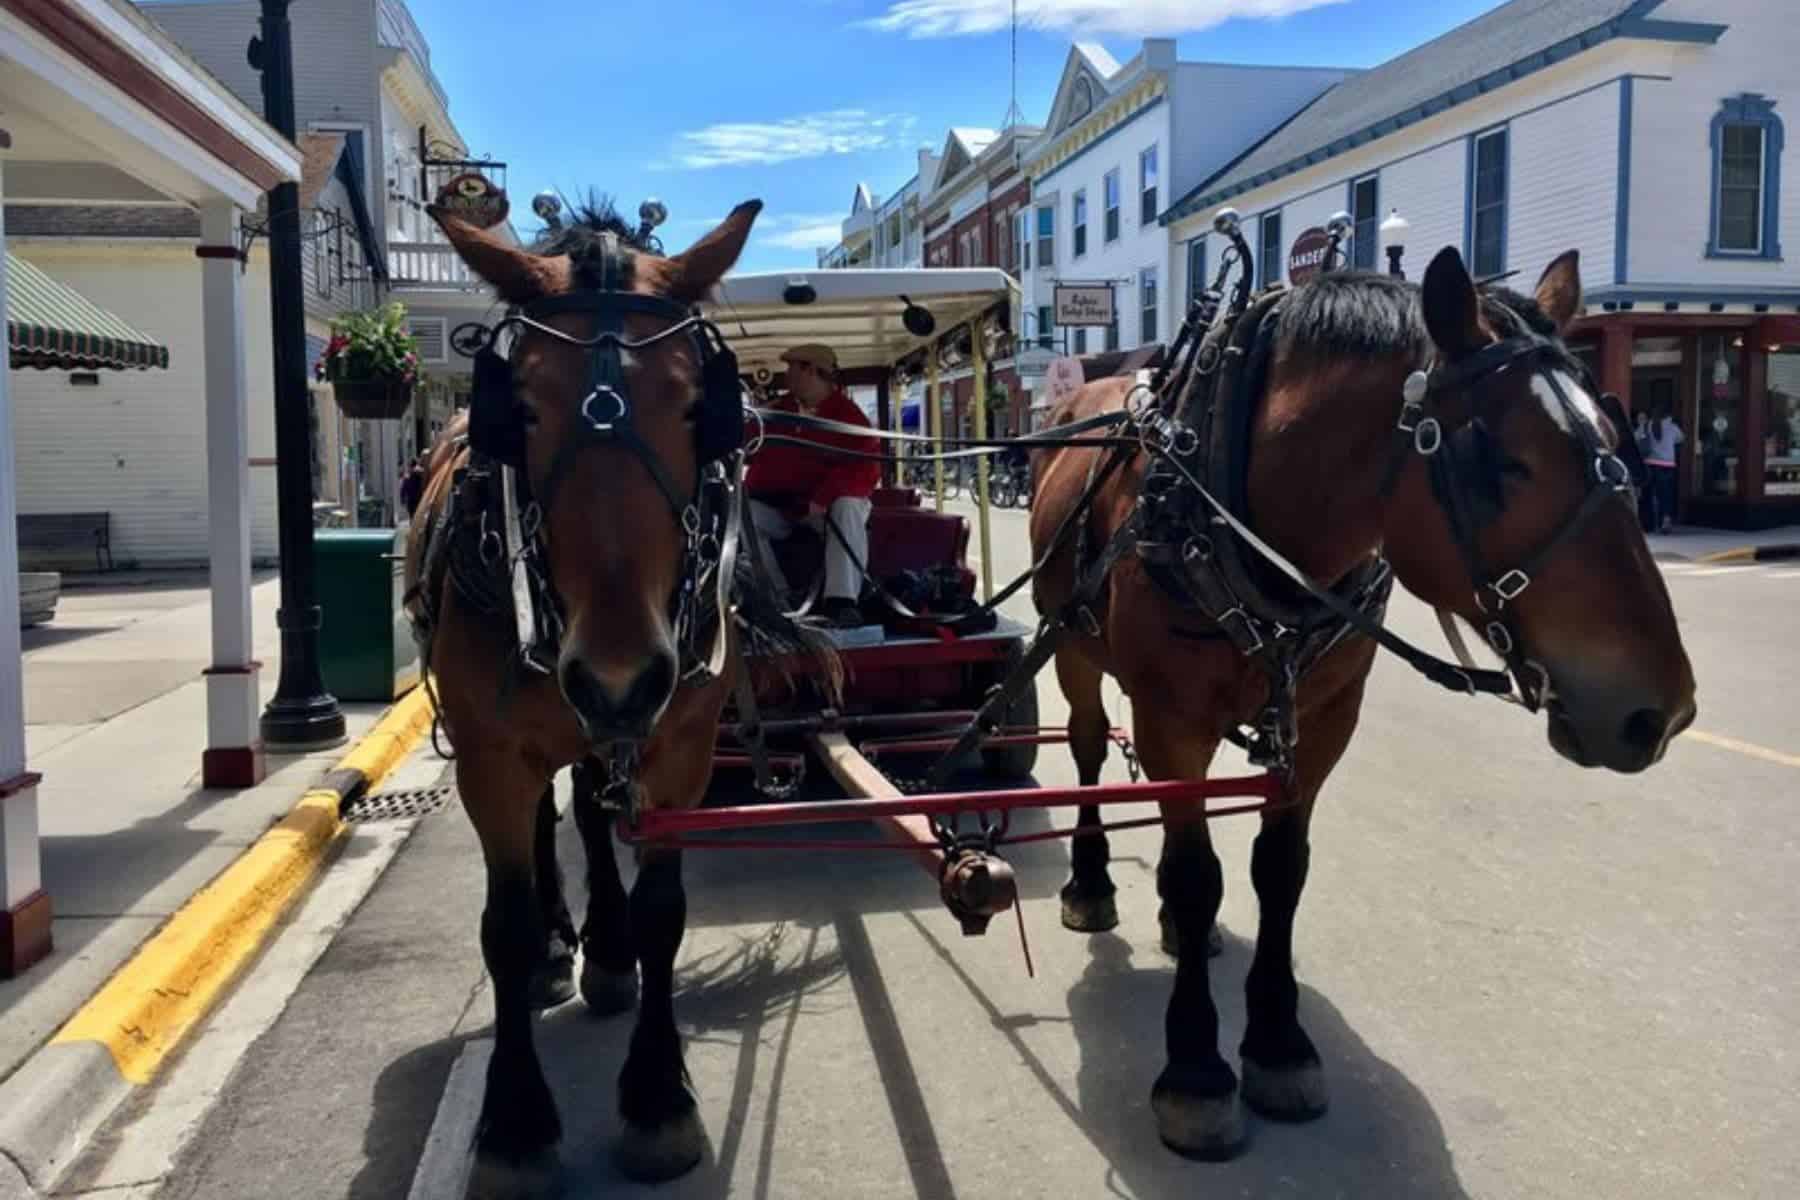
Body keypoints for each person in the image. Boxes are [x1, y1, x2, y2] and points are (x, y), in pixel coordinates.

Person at [745, 344, 880, 627]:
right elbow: (746, 446)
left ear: (811, 371)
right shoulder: (778, 411)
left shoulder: (850, 416)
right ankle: (779, 598)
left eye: (792, 369)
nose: (787, 376)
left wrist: (823, 498)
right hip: (782, 508)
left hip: (826, 511)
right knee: (743, 516)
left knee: (847, 506)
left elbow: (864, 471)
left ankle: (841, 602)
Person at [1643, 409, 1684, 535]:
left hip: (1650, 464)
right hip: (1667, 465)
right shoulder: (1673, 427)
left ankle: (1648, 524)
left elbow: (1636, 436)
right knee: (1665, 495)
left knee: (1648, 495)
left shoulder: (1647, 425)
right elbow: (1681, 439)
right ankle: (1665, 521)